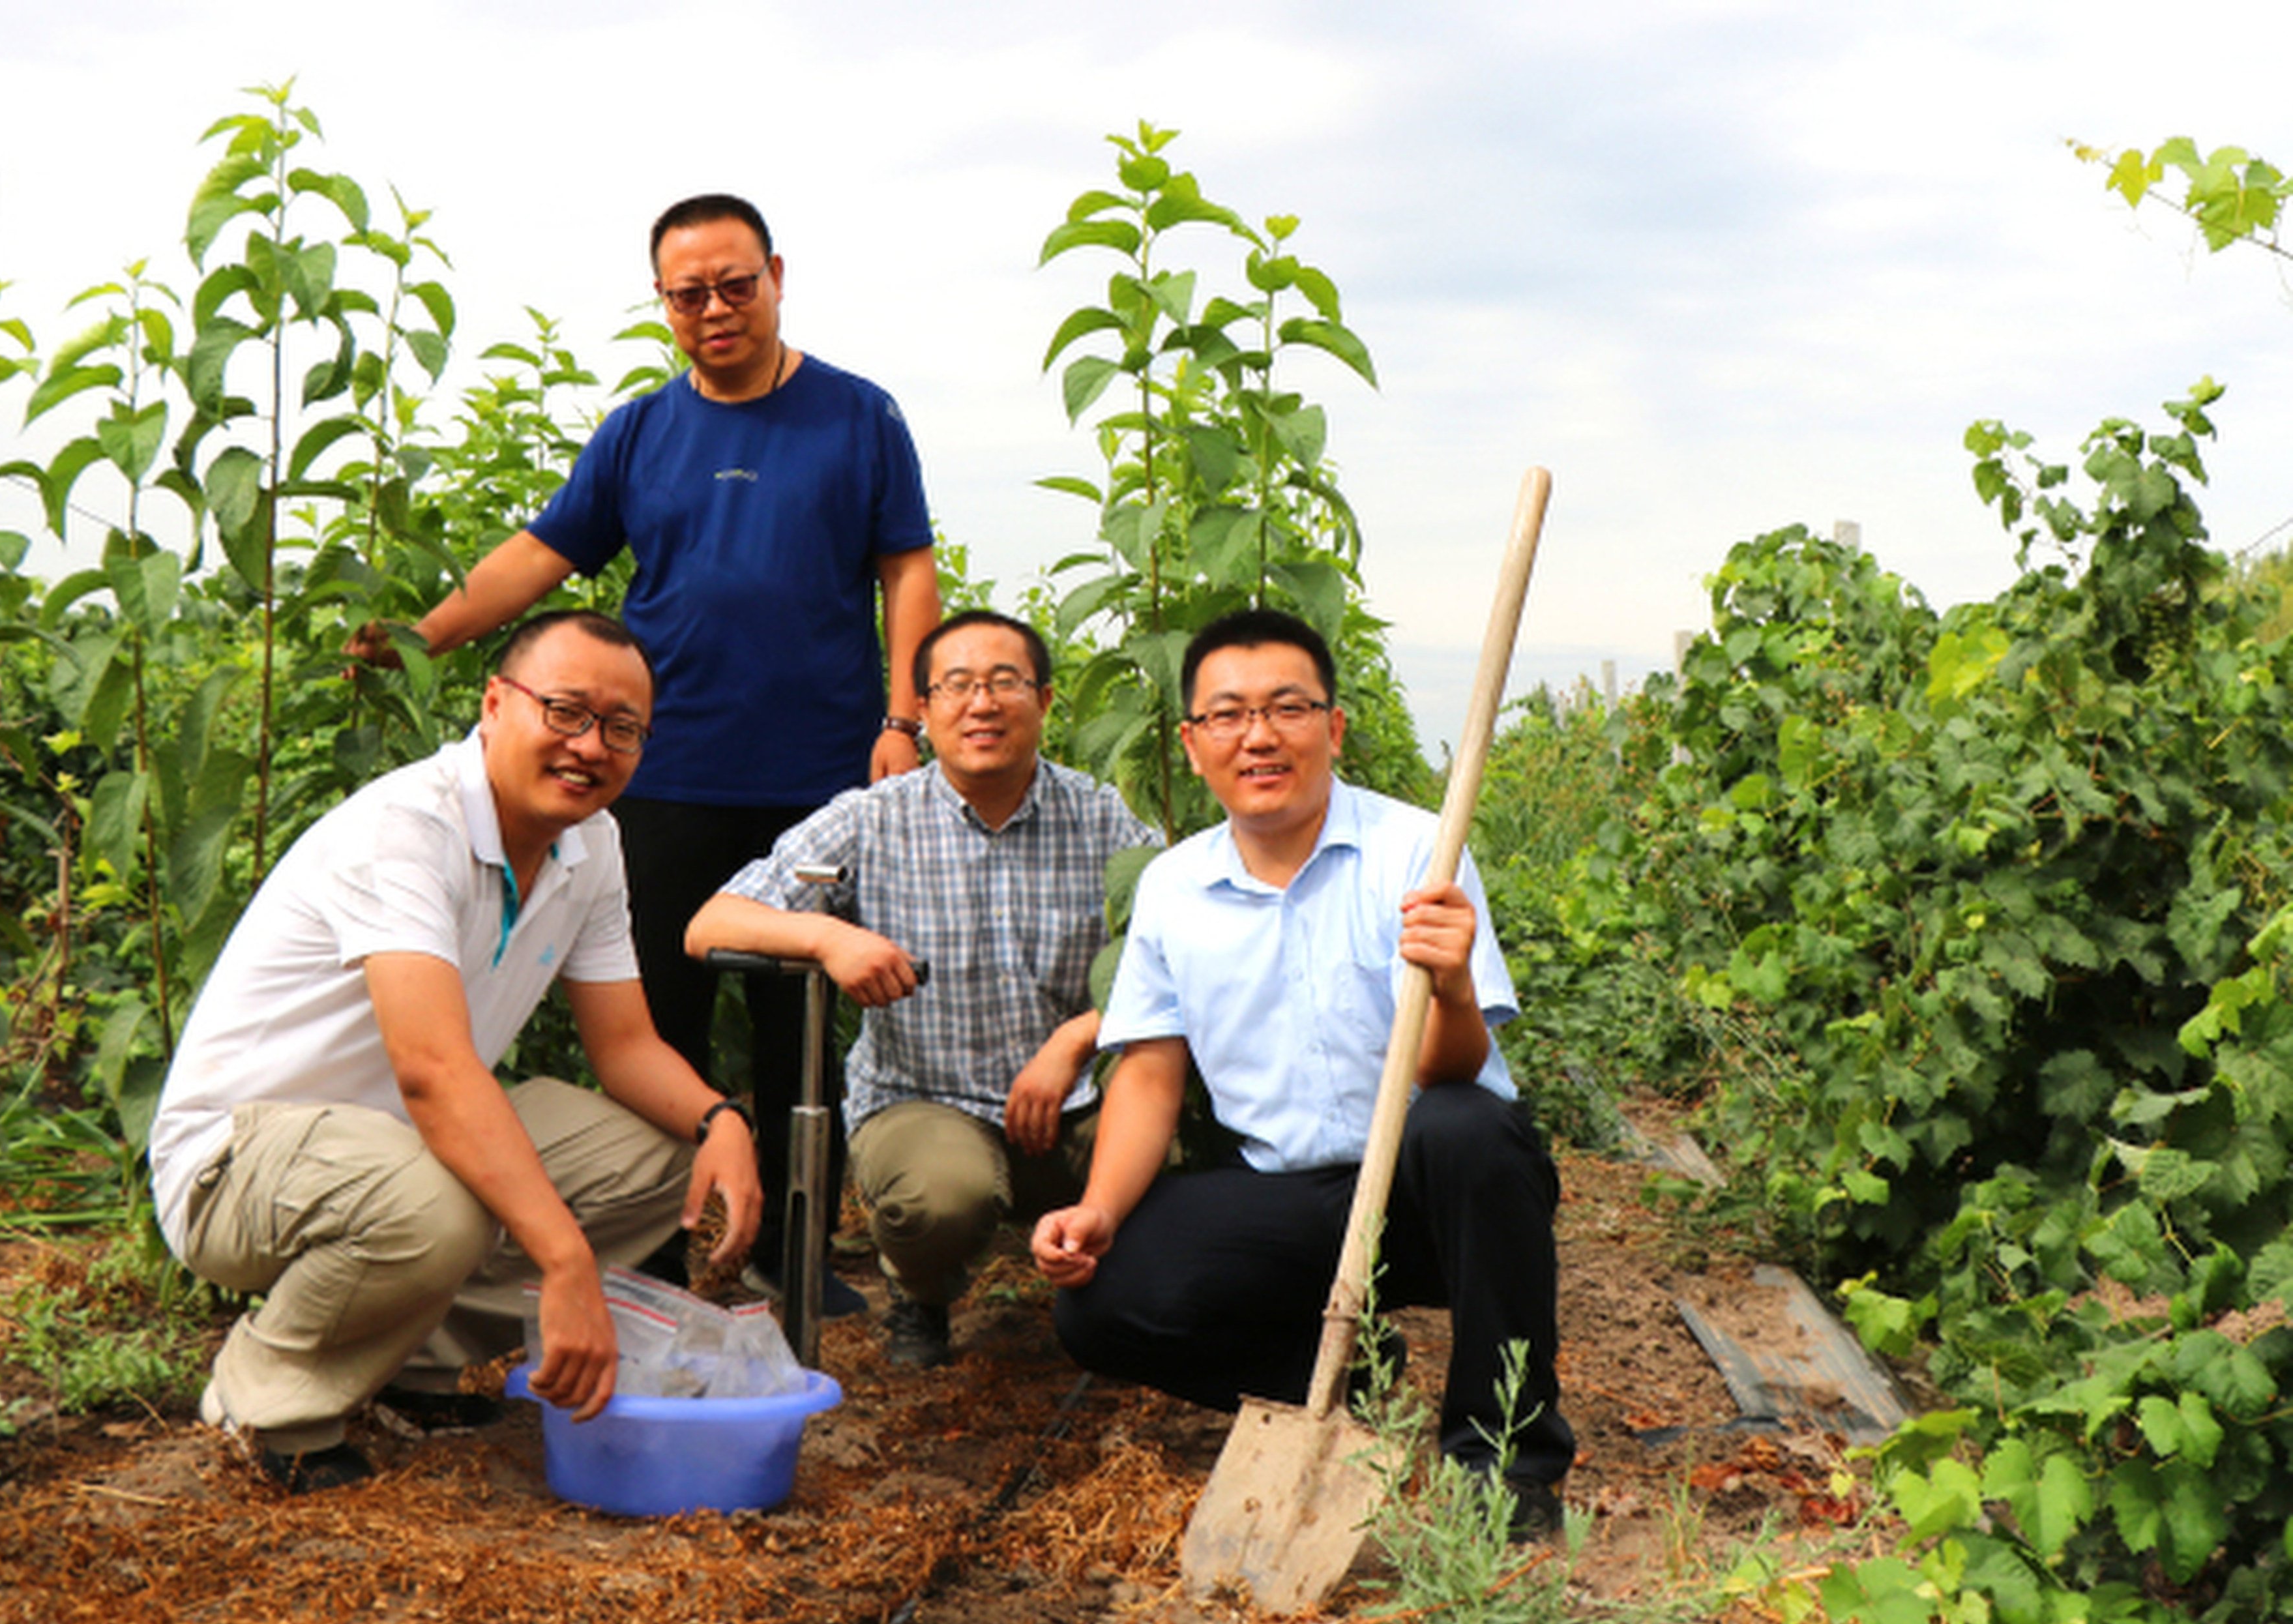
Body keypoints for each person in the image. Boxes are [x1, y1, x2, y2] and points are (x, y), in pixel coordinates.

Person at [353, 194, 936, 1307]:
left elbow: (906, 566)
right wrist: (426, 636)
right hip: (659, 768)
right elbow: (544, 552)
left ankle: (798, 1253)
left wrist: (899, 720)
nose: (714, 309)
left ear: (775, 275)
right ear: (662, 302)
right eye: (688, 293)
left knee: (796, 1027)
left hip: (818, 775)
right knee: (655, 1011)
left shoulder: (858, 417)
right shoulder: (640, 430)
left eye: (735, 285)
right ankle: (662, 1248)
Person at [152, 611, 763, 1494]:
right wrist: (565, 1262)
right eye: (565, 711)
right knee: (441, 1202)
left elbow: (626, 1045)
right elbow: (434, 1072)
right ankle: (266, 1401)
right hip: (238, 1158)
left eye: (621, 728)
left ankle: (409, 1356)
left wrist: (723, 1120)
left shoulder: (590, 844)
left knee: (660, 1158)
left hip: (395, 1146)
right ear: (493, 704)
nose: (590, 745)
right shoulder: (406, 829)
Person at [1029, 607, 1574, 1535]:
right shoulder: (1174, 887)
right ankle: (1351, 1380)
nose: (1260, 735)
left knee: (1467, 1125)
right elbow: (1151, 1078)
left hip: (1431, 1193)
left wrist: (1449, 989)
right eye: (1230, 715)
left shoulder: (1416, 850)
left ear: (1334, 727)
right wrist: (1100, 1210)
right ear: (1194, 744)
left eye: (1288, 707)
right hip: (1292, 1199)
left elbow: (1461, 1067)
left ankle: (1504, 1458)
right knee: (1100, 1304)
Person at [685, 611, 1159, 1366]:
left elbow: (1185, 953)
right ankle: (920, 1290)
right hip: (924, 1099)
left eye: (1006, 682)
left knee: (1164, 1177)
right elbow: (710, 923)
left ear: (1045, 700)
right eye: (958, 686)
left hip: (1073, 1097)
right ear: (924, 710)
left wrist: (1074, 1041)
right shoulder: (873, 820)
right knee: (935, 1202)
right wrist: (829, 935)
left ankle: (1105, 1289)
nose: (982, 703)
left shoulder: (1102, 818)